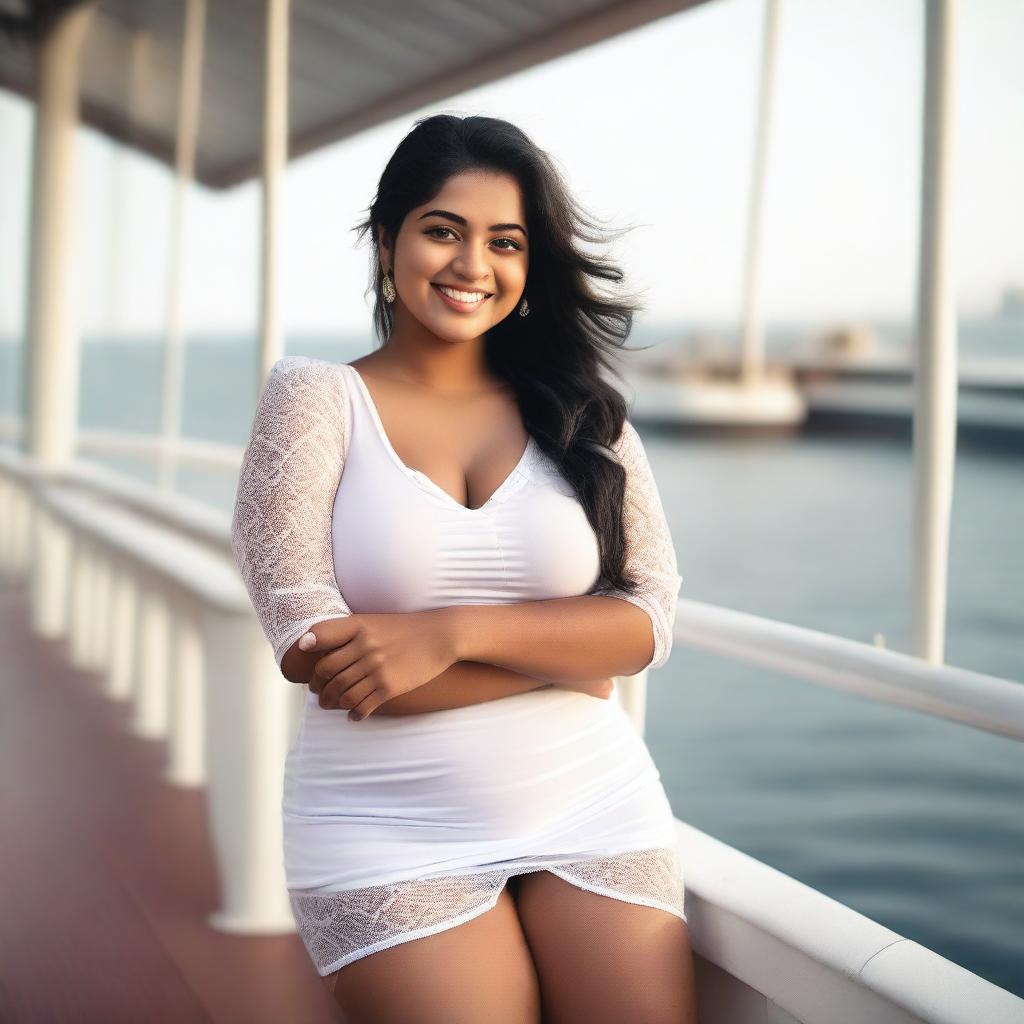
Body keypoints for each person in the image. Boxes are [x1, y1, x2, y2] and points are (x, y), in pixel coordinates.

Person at [230, 113, 697, 1023]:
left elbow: (650, 620)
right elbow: (323, 657)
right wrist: (570, 661)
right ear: (388, 241)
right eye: (443, 230)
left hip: (594, 802)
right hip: (385, 829)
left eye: (505, 242)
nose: (471, 265)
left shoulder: (584, 415)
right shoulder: (315, 399)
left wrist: (450, 633)